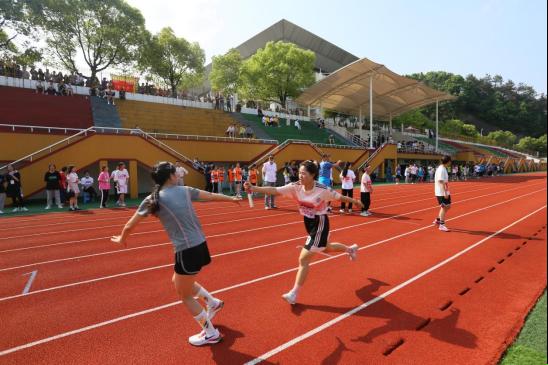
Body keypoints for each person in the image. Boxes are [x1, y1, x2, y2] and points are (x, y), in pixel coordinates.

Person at [111, 162, 241, 346]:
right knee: (177, 281)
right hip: (201, 245)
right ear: (171, 176)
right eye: (176, 170)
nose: (179, 173)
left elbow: (129, 225)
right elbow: (211, 196)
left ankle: (210, 333)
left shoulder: (153, 199)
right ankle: (212, 302)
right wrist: (231, 199)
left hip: (187, 250)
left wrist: (122, 239)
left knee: (184, 295)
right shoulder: (185, 190)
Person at [244, 161, 363, 305]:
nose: (300, 175)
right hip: (309, 223)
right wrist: (254, 187)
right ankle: (350, 249)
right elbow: (274, 190)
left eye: (303, 173)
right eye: (299, 172)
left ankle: (294, 293)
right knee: (327, 247)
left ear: (313, 175)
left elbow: (339, 197)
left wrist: (354, 201)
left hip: (320, 223)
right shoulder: (295, 187)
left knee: (303, 259)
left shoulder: (322, 189)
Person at [433, 155, 452, 232]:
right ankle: (442, 224)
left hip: (444, 191)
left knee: (448, 206)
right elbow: (440, 181)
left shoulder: (443, 168)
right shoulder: (441, 169)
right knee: (445, 207)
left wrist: (446, 191)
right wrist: (444, 192)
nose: (451, 162)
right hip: (441, 192)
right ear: (448, 161)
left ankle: (438, 220)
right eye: (450, 161)